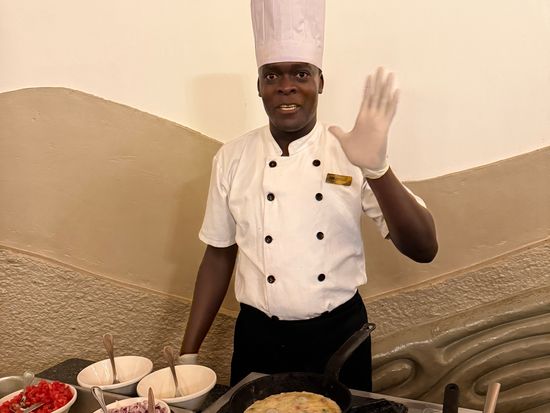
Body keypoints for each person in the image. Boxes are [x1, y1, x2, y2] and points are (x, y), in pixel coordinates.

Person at [178, 0, 438, 392]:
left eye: (301, 73)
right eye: (272, 75)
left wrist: (377, 169)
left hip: (339, 339)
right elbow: (218, 254)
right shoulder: (231, 157)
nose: (286, 86)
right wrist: (188, 354)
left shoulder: (351, 151)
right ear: (259, 86)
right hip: (257, 339)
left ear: (320, 81)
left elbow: (424, 248)